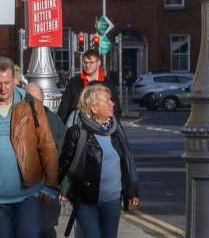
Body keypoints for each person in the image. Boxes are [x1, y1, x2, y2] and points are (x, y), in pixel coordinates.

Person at [0, 56, 60, 237]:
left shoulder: (32, 106)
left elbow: (47, 146)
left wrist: (51, 185)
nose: (3, 88)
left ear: (14, 81)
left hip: (29, 193)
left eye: (7, 83)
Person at [57, 84, 140, 238]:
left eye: (111, 100)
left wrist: (132, 191)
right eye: (107, 101)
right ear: (93, 108)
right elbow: (63, 165)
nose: (112, 103)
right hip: (86, 201)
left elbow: (127, 163)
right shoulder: (77, 133)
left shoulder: (116, 130)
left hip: (113, 200)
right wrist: (51, 190)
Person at [25, 82, 66, 238]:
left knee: (45, 228)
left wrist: (63, 187)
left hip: (47, 188)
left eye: (37, 100)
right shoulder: (16, 121)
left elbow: (63, 157)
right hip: (21, 190)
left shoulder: (54, 122)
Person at [57, 49, 120, 124]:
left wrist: (110, 123)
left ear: (98, 63)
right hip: (79, 125)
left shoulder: (108, 84)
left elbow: (116, 108)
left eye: (91, 63)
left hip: (103, 126)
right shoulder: (73, 83)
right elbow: (64, 108)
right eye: (85, 62)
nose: (87, 65)